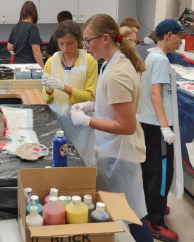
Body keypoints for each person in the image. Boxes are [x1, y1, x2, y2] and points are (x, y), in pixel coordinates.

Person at [71, 13, 153, 241]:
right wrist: (92, 105)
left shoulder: (116, 74)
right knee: (125, 213)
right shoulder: (114, 63)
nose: (86, 47)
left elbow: (125, 125)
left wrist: (87, 120)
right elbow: (114, 105)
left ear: (105, 38)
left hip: (120, 155)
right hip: (113, 149)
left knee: (132, 215)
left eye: (88, 41)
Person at [139, 19, 189, 242]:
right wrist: (165, 126)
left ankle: (151, 207)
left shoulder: (153, 56)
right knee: (161, 173)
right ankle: (155, 221)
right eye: (180, 36)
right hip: (157, 126)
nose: (182, 41)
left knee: (151, 170)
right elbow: (155, 94)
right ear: (169, 35)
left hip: (150, 123)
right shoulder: (159, 59)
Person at [41, 20, 98, 165]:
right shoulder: (52, 62)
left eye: (70, 43)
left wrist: (65, 88)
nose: (65, 47)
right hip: (55, 123)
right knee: (56, 162)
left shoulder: (89, 61)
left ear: (79, 41)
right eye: (61, 43)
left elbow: (90, 97)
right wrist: (48, 91)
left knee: (78, 165)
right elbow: (46, 100)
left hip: (79, 125)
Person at [7, 1, 44, 68]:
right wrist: (43, 68)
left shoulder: (15, 27)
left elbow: (9, 47)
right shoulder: (33, 28)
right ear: (34, 13)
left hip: (17, 65)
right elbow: (36, 50)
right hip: (29, 67)